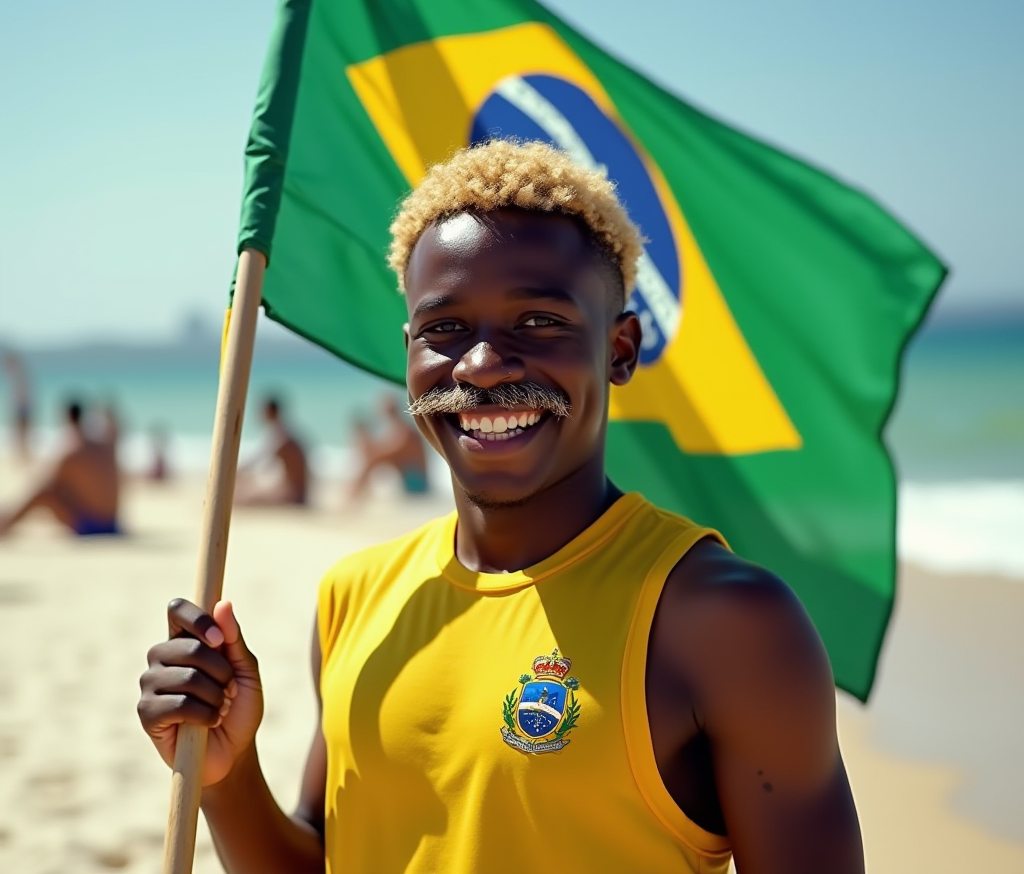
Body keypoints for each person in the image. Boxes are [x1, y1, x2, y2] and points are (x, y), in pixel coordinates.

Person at [138, 141, 863, 873]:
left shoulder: (723, 621)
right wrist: (225, 776)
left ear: (619, 349)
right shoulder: (355, 596)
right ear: (410, 351)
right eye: (444, 330)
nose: (482, 365)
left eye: (539, 322)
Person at [0, 400, 120, 537]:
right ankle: (6, 518)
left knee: (44, 494)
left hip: (94, 527)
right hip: (114, 524)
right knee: (60, 488)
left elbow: (46, 483)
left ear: (67, 418)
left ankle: (4, 524)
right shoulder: (102, 445)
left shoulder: (73, 451)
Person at [346, 395, 430, 502]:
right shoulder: (398, 430)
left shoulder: (406, 433)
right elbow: (380, 448)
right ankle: (355, 494)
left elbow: (388, 451)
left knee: (373, 460)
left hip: (418, 485)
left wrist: (367, 440)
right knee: (373, 460)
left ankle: (352, 496)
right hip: (412, 484)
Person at [234, 396, 308, 506]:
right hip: (298, 491)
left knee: (242, 498)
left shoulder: (279, 436)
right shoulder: (284, 431)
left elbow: (258, 460)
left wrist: (234, 472)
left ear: (270, 411)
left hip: (294, 495)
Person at [3, 351, 32, 461]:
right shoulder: (18, 375)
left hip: (22, 409)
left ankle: (24, 456)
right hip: (22, 409)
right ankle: (23, 455)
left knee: (22, 434)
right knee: (21, 434)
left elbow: (24, 396)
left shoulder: (19, 375)